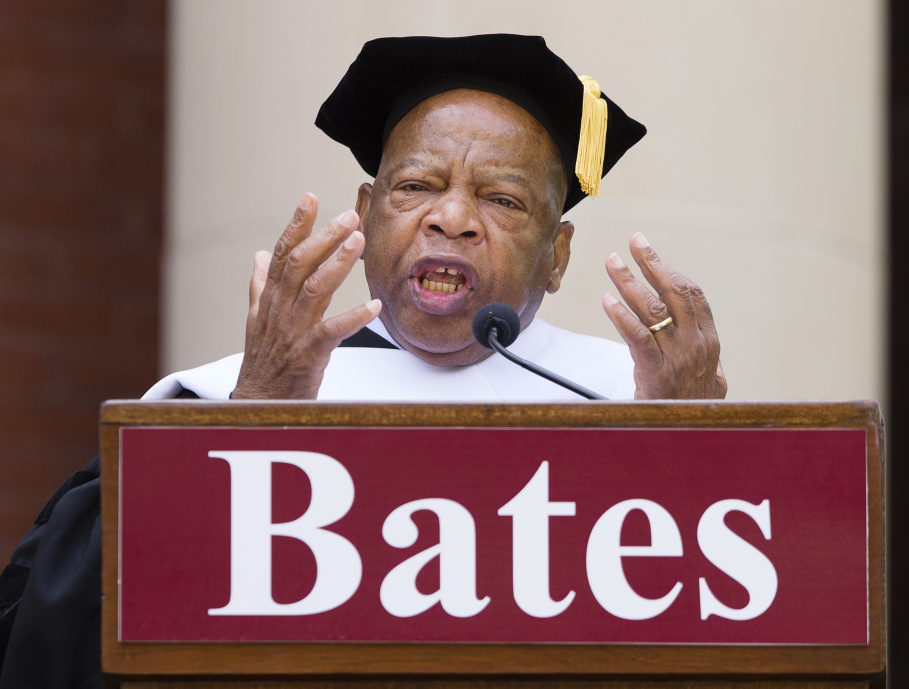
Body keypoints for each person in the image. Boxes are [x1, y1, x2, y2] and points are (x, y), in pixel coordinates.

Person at [0, 34, 724, 688]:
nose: (451, 218)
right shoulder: (220, 402)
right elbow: (46, 646)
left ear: (557, 256)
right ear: (369, 211)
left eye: (502, 199)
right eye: (415, 187)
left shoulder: (625, 405)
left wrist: (692, 462)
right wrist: (243, 432)